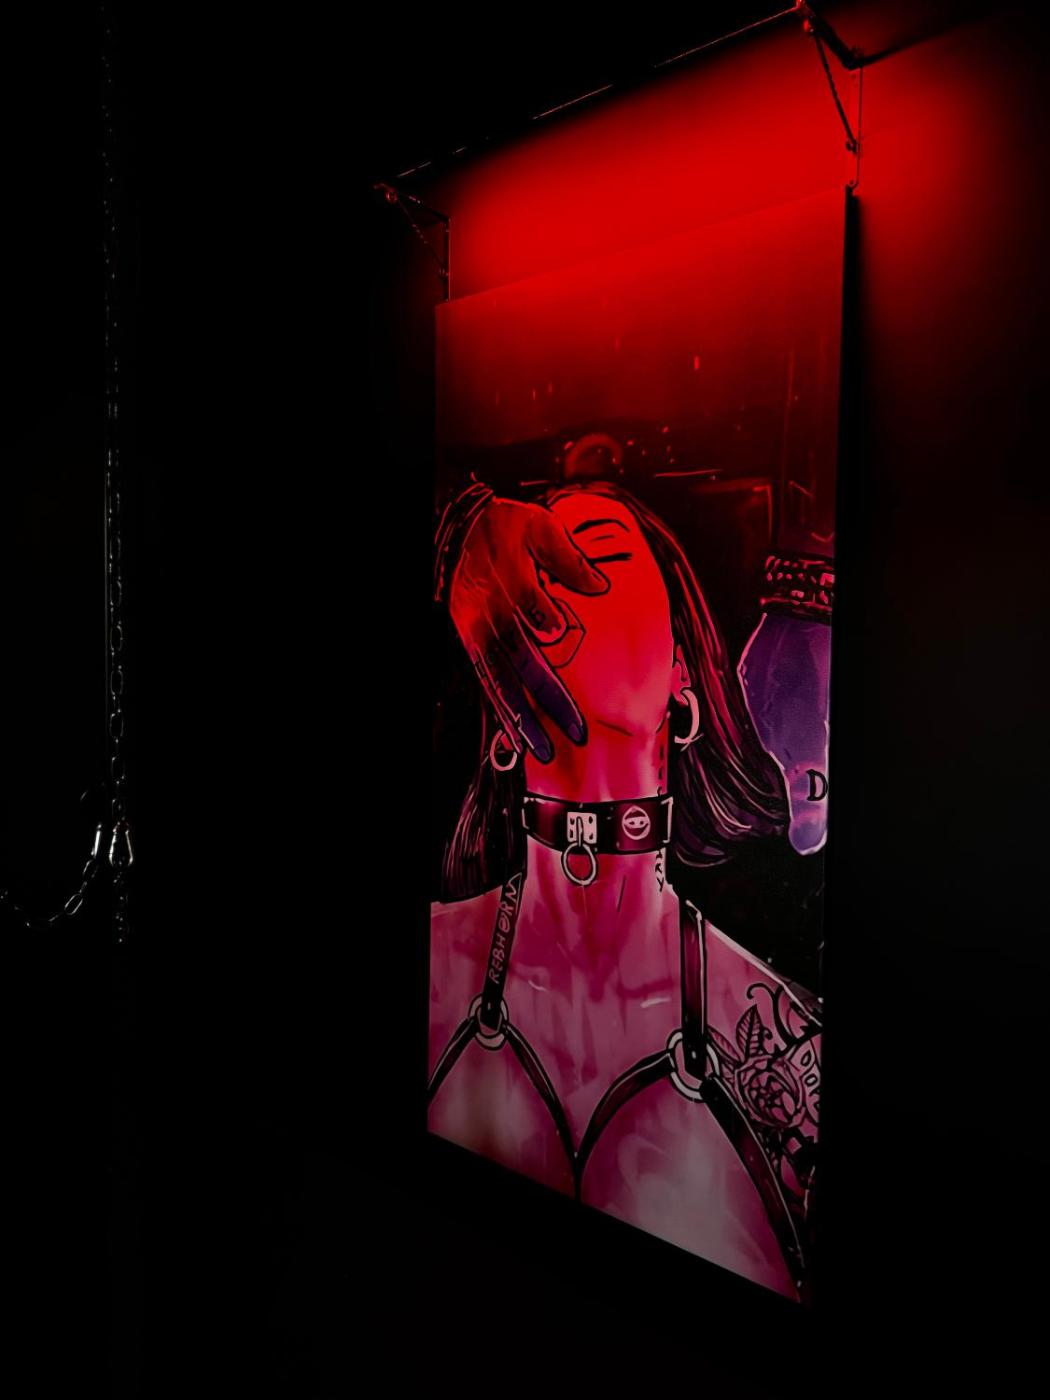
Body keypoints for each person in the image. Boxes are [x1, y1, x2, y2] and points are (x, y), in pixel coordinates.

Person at [429, 477, 822, 1302]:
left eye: (596, 562)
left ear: (681, 672)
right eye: (534, 578)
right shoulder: (429, 971)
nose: (549, 596)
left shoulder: (791, 1056)